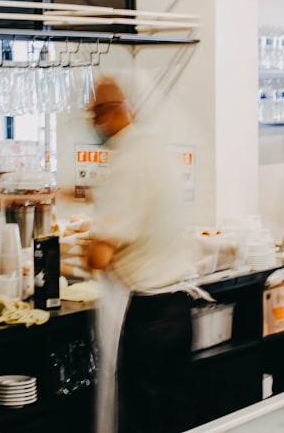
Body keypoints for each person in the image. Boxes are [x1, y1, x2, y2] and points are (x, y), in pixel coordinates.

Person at [83, 76, 195, 433]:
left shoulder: (126, 162)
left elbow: (100, 256)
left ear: (109, 112)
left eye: (94, 114)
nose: (92, 124)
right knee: (172, 417)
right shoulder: (153, 150)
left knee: (142, 421)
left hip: (146, 314)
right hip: (177, 307)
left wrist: (84, 245)